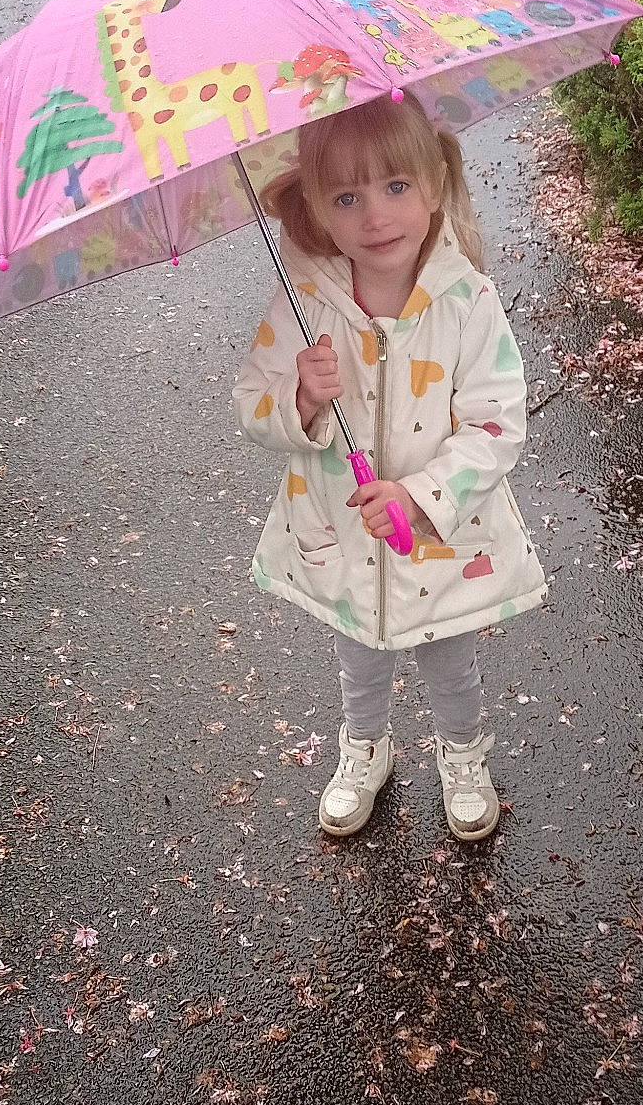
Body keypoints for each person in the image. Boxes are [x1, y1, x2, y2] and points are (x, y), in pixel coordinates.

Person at [234, 94, 547, 842]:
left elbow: (497, 425)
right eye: (347, 196)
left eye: (395, 187)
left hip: (439, 533)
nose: (375, 215)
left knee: (448, 658)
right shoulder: (305, 303)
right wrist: (300, 397)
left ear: (433, 187)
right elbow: (250, 405)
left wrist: (419, 494)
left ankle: (462, 752)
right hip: (341, 531)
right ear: (316, 207)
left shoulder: (467, 301)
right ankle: (364, 747)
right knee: (359, 657)